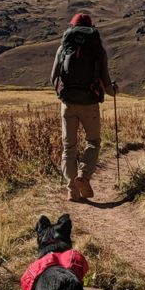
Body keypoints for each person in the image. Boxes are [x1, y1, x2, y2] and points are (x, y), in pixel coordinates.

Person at [51, 12, 117, 201]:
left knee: (68, 147)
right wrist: (114, 91)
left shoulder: (63, 47)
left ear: (72, 27)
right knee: (93, 142)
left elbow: (53, 76)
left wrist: (61, 94)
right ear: (91, 28)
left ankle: (72, 190)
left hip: (68, 104)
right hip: (90, 104)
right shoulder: (98, 50)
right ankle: (84, 175)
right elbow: (106, 82)